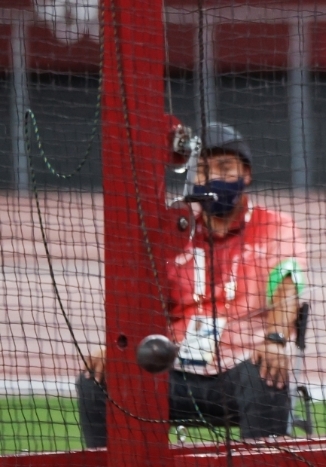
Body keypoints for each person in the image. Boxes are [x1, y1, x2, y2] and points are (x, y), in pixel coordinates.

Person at [76, 122, 306, 447]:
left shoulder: (276, 226)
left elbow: (288, 288)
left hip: (242, 365)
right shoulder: (174, 230)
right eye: (203, 170)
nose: (212, 178)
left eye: (225, 168)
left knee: (268, 375)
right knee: (100, 379)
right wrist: (119, 346)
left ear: (247, 174)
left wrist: (276, 338)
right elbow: (146, 302)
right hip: (173, 368)